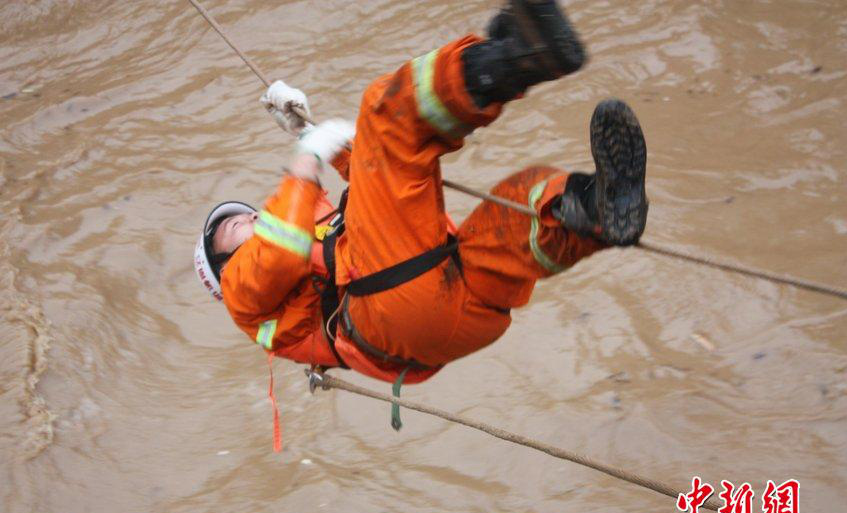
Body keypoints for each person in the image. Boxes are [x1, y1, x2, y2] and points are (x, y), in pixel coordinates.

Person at [194, 0, 648, 416]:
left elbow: (373, 194)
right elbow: (282, 247)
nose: (250, 217)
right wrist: (305, 162)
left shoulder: (299, 252)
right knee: (387, 115)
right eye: (232, 227)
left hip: (446, 308)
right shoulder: (242, 296)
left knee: (522, 200)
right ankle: (511, 60)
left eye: (248, 213)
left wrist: (312, 141)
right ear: (223, 267)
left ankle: (600, 211)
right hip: (391, 304)